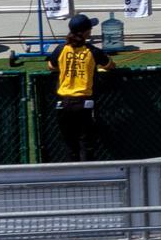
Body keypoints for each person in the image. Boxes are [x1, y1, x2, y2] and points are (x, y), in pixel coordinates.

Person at [46, 14, 114, 163]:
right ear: (86, 32)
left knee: (70, 145)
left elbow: (51, 66)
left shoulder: (61, 49)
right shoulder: (92, 51)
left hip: (63, 103)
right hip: (84, 103)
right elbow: (109, 65)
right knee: (86, 145)